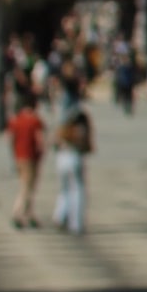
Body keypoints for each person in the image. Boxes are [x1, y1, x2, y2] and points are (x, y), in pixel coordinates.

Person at [52, 91, 93, 235]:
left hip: (62, 157)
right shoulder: (81, 122)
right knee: (78, 190)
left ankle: (60, 215)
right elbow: (87, 145)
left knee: (64, 189)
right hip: (74, 156)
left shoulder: (63, 124)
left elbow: (55, 143)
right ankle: (76, 223)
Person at [7, 93, 46, 229]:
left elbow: (9, 137)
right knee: (27, 188)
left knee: (27, 187)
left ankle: (30, 215)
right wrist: (42, 153)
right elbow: (40, 141)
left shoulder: (15, 120)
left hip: (19, 157)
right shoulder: (35, 121)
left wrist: (15, 150)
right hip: (31, 158)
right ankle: (16, 213)